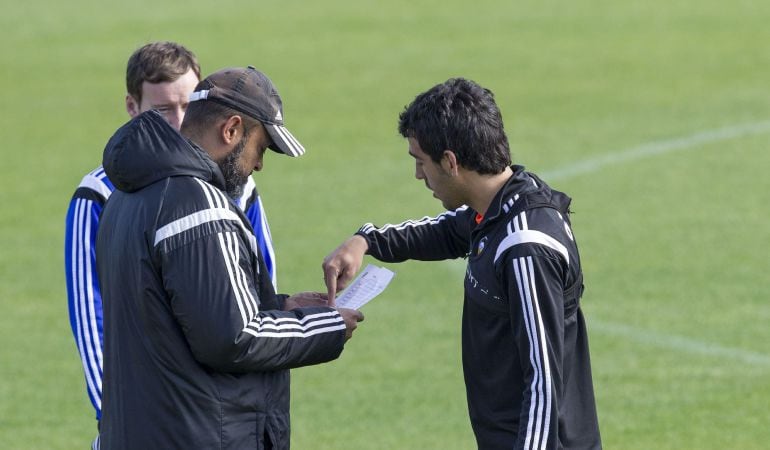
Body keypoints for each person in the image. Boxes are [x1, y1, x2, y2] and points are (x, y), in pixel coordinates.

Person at [323, 78, 601, 449]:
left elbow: (544, 380)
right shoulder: (500, 206)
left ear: (450, 161)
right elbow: (447, 232)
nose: (419, 175)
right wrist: (367, 241)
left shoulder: (525, 248)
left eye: (421, 162)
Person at [95, 66, 364, 449]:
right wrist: (326, 326)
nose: (259, 165)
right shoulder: (198, 205)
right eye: (261, 147)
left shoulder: (127, 197)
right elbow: (233, 338)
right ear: (231, 129)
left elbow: (176, 313)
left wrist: (279, 306)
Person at [64, 41, 279, 424]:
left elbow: (260, 291)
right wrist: (112, 414)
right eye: (163, 110)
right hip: (143, 414)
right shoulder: (99, 194)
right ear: (133, 108)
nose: (180, 121)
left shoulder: (239, 187)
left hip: (220, 418)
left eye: (188, 105)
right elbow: (90, 318)